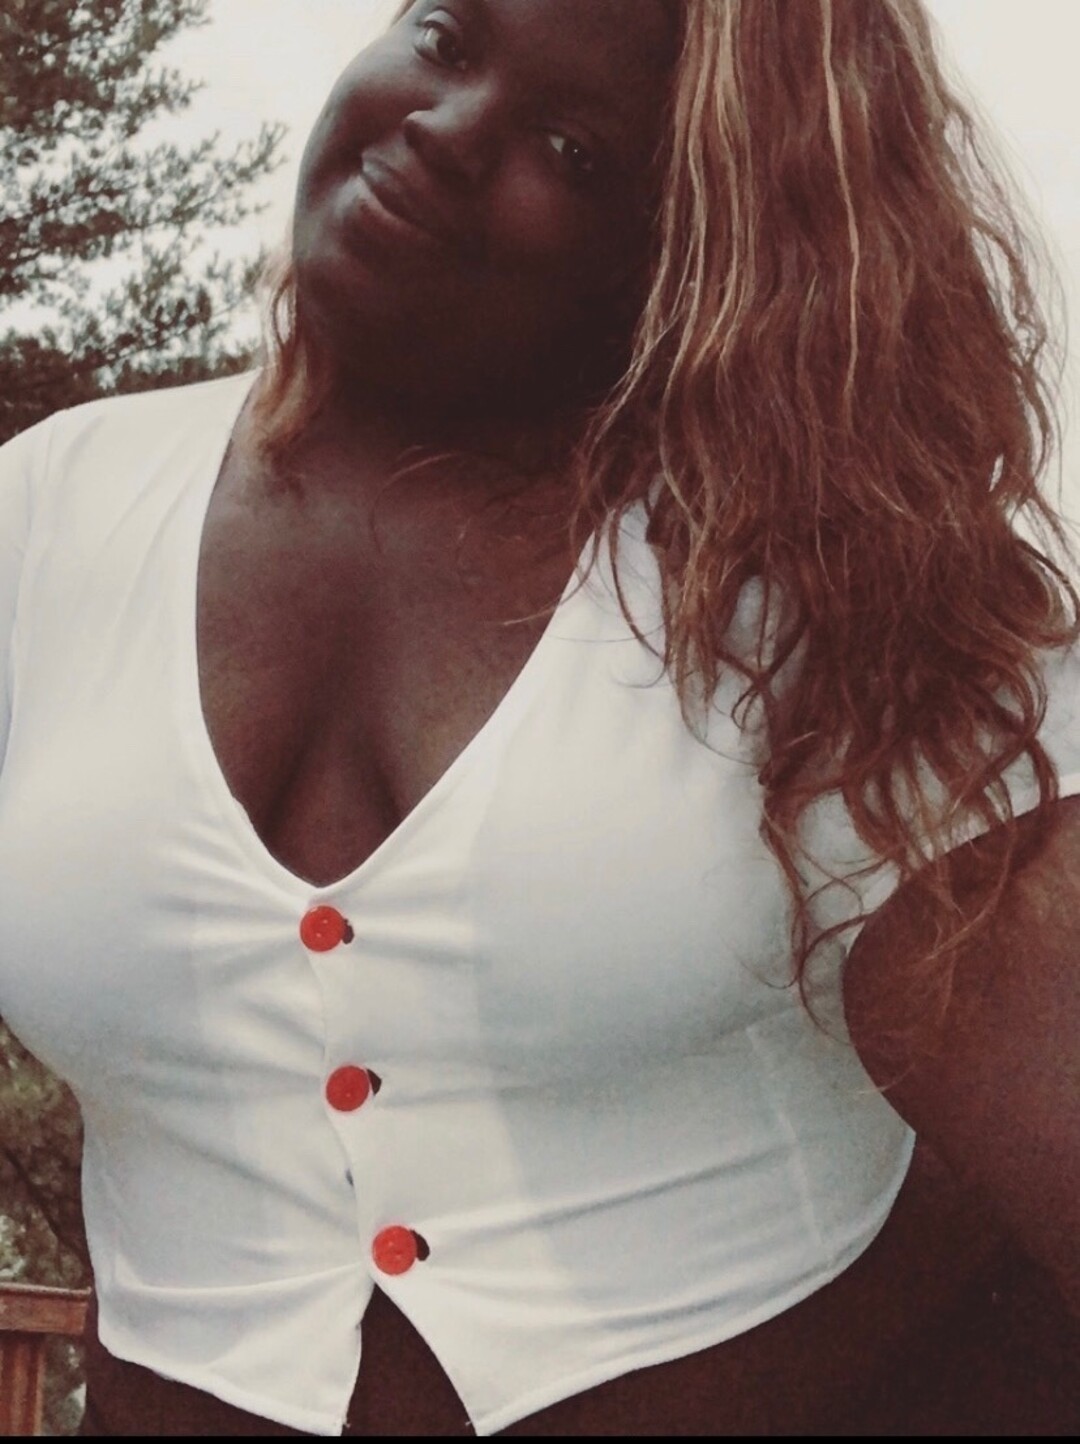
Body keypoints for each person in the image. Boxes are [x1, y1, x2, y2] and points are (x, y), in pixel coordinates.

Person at [0, 0, 1076, 1434]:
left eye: (574, 149)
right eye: (447, 38)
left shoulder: (829, 601)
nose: (450, 131)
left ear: (685, 254)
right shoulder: (46, 516)